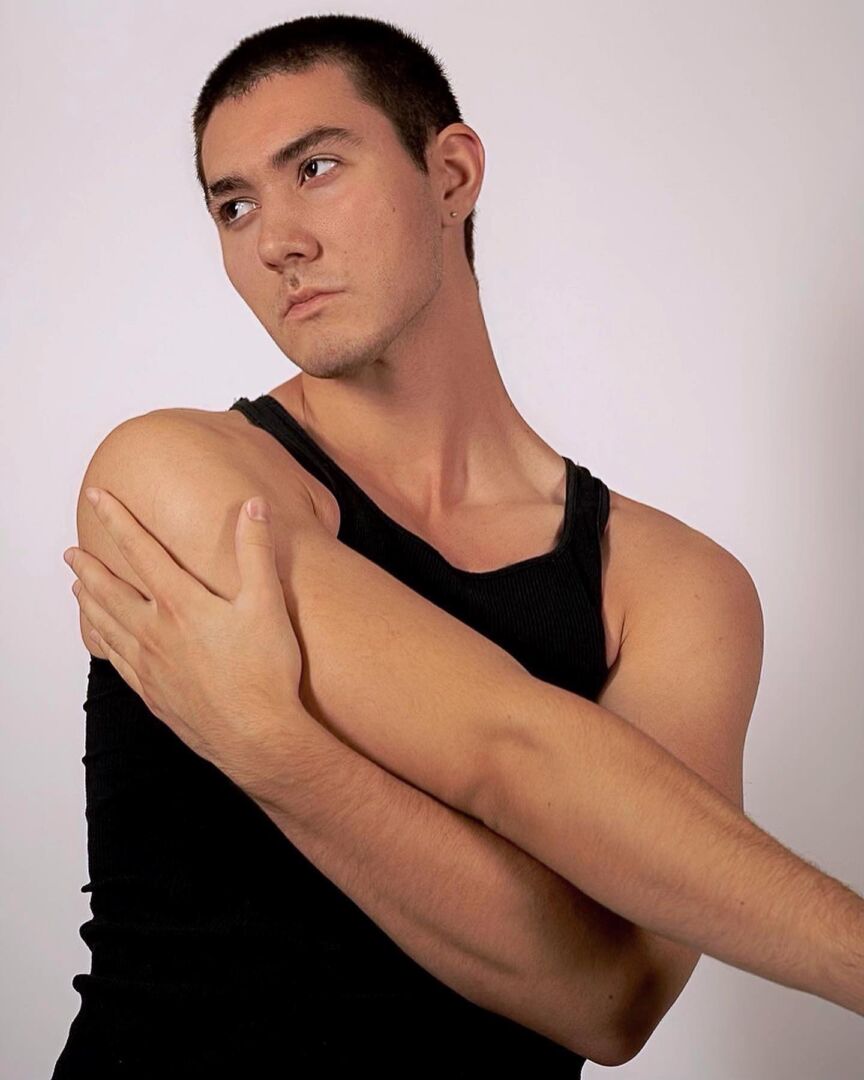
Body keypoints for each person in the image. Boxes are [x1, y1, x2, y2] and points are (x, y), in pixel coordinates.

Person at [53, 13, 863, 1077]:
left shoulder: (676, 588)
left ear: (452, 175)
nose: (275, 239)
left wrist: (278, 753)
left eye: (317, 168)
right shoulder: (171, 474)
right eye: (234, 205)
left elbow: (612, 1001)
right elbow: (508, 753)